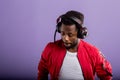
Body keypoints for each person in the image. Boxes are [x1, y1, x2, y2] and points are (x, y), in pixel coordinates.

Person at [38, 10, 112, 80]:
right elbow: (41, 74)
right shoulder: (50, 49)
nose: (65, 38)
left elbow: (106, 76)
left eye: (70, 35)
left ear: (80, 33)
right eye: (63, 33)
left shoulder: (93, 52)